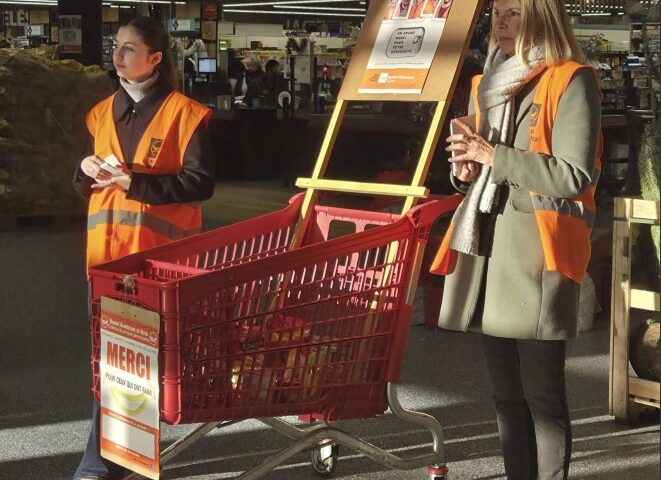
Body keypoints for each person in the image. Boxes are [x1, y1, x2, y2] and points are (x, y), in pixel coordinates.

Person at [430, 0, 602, 479]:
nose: (500, 23)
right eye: (496, 14)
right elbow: (478, 168)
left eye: (514, 14)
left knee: (543, 398)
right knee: (506, 397)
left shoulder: (571, 79)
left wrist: (493, 156)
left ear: (541, 18)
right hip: (488, 253)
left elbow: (574, 175)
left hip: (537, 257)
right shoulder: (484, 83)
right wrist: (464, 171)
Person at [71, 16, 214, 480]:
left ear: (155, 58)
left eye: (129, 48)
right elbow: (84, 185)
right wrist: (85, 171)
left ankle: (104, 464)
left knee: (136, 363)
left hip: (159, 263)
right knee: (112, 361)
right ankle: (106, 463)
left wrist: (136, 183)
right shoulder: (100, 113)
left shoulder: (185, 114)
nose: (118, 54)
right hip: (105, 261)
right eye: (116, 45)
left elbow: (200, 183)